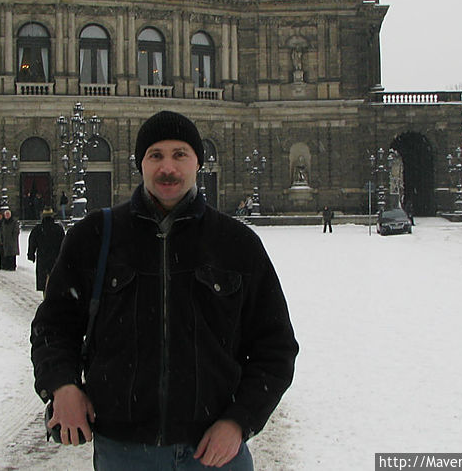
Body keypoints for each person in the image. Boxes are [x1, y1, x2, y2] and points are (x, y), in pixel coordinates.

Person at [31, 110, 298, 469]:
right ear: (140, 163)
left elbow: (275, 348)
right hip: (124, 452)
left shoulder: (237, 245)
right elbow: (53, 328)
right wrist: (62, 386)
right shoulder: (95, 237)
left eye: (180, 155)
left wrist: (239, 422)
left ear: (197, 164)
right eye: (155, 155)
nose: (167, 168)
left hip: (215, 452)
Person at [28, 207, 65, 293]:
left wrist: (31, 254)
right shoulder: (58, 229)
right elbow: (64, 243)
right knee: (55, 279)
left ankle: (46, 295)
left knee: (44, 280)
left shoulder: (38, 229)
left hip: (42, 258)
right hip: (55, 258)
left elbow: (32, 242)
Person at [0, 206, 20, 270]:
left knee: (12, 254)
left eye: (8, 214)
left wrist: (13, 238)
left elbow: (16, 231)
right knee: (6, 254)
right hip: (5, 241)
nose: (7, 216)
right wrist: (1, 239)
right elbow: (1, 232)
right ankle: (6, 266)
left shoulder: (14, 222)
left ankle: (12, 266)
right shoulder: (4, 222)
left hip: (12, 241)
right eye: (6, 214)